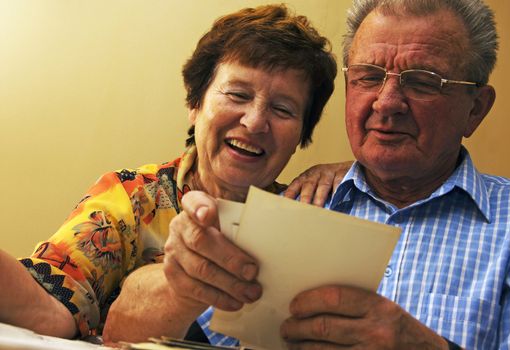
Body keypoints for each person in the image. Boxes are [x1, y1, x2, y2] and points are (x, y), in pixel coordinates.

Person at [165, 0, 510, 349]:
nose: (386, 102)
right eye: (369, 76)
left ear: (475, 109)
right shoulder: (294, 209)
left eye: (422, 82)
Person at [0, 3, 346, 342]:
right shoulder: (133, 198)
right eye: (238, 94)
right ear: (194, 105)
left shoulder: (309, 217)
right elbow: (52, 308)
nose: (255, 122)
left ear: (301, 134)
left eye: (282, 109)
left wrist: (357, 169)